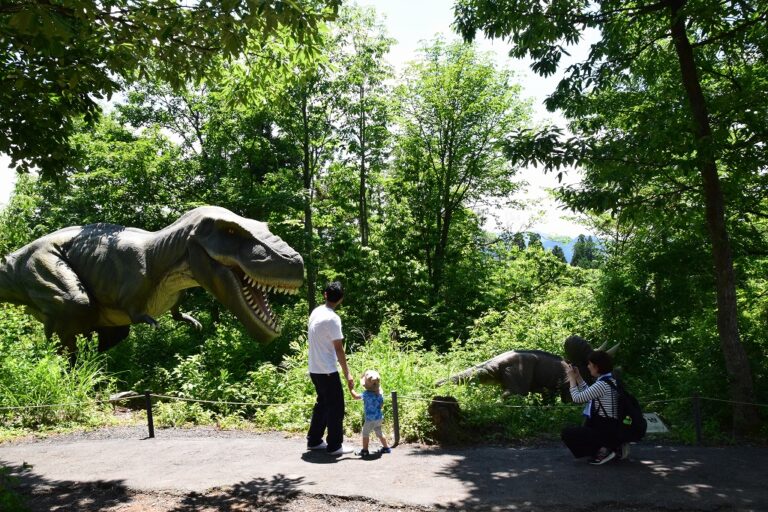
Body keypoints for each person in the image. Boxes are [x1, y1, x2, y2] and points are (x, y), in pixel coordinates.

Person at [306, 281, 358, 455]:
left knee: (322, 404)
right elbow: (339, 348)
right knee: (336, 407)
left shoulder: (316, 312)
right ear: (341, 299)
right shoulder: (333, 319)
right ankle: (335, 445)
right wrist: (348, 374)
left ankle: (314, 440)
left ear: (325, 294)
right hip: (327, 370)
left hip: (314, 368)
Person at [560, 349, 628, 465]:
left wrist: (571, 378)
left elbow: (577, 398)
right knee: (585, 427)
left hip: (606, 429)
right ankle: (613, 446)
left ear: (596, 367)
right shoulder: (609, 380)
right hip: (612, 426)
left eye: (590, 364)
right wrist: (578, 377)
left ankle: (604, 451)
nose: (588, 366)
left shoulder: (602, 384)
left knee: (567, 433)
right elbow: (589, 393)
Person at [355, 369, 392, 457]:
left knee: (365, 433)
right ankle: (386, 448)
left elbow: (355, 396)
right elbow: (381, 404)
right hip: (379, 417)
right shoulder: (380, 393)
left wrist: (351, 388)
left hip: (370, 419)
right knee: (379, 431)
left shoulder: (366, 394)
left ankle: (365, 450)